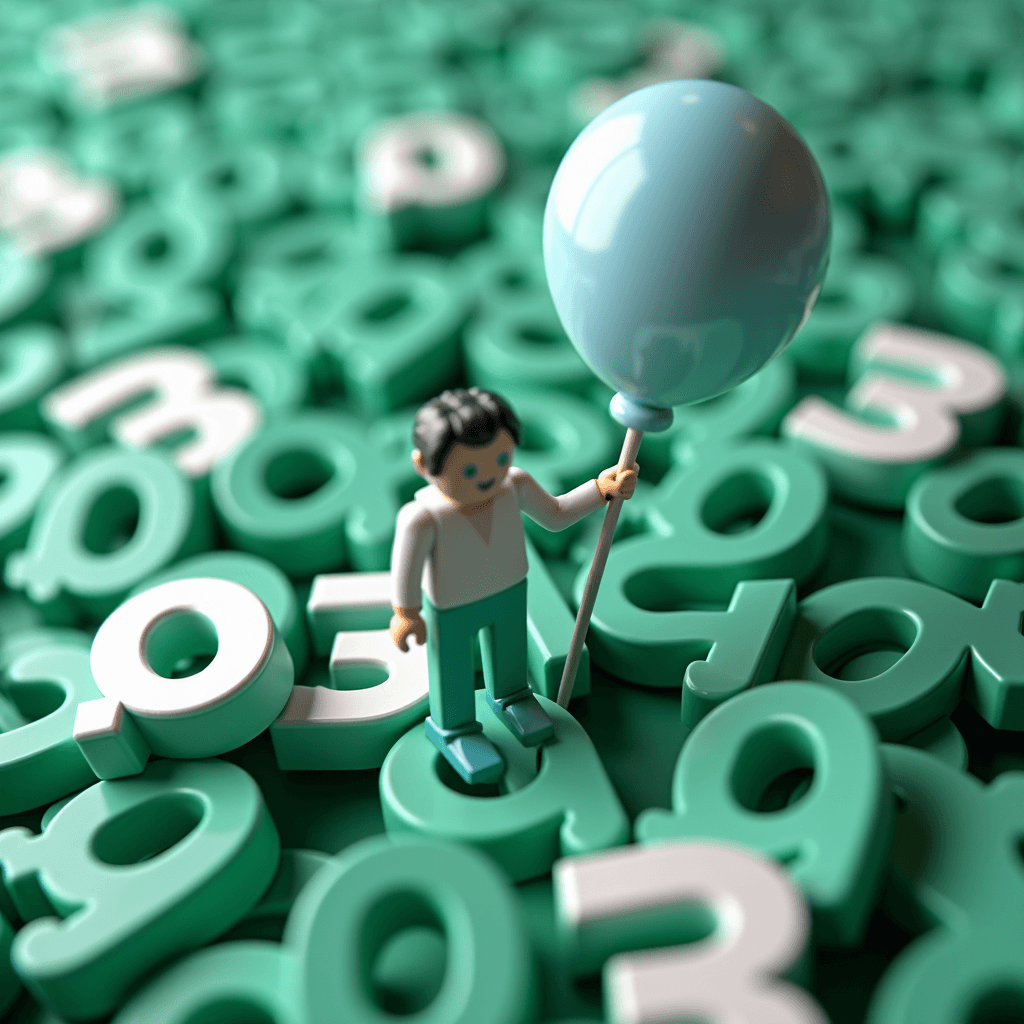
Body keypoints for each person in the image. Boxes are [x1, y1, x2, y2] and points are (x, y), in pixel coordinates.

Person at [390, 387, 637, 785]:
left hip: (507, 589)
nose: (488, 476)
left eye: (501, 459)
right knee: (451, 669)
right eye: (469, 471)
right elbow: (406, 565)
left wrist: (599, 490)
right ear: (423, 465)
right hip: (451, 608)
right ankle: (453, 727)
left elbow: (556, 514)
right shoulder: (422, 518)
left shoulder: (515, 485)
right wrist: (406, 611)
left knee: (509, 656)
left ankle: (511, 697)